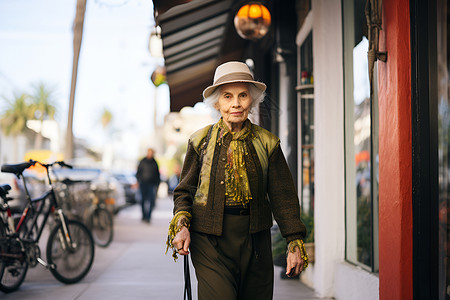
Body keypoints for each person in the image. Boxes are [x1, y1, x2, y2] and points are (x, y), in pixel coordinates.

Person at [166, 61, 308, 299]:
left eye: (242, 95)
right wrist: (181, 226)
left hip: (256, 242)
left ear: (251, 99)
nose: (236, 103)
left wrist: (294, 240)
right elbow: (185, 191)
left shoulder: (268, 142)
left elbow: (283, 196)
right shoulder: (199, 141)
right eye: (227, 96)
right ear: (217, 102)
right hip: (210, 240)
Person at [136, 148, 160, 223]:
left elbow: (157, 174)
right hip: (143, 183)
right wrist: (138, 180)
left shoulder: (154, 162)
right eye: (148, 152)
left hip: (151, 184)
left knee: (151, 201)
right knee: (142, 200)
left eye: (151, 153)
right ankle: (144, 216)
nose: (150, 154)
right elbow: (138, 172)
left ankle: (148, 217)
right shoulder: (142, 161)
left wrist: (157, 184)